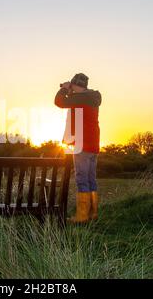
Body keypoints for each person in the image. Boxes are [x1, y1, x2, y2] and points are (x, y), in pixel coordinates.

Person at [54, 73, 102, 223]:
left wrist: (64, 89)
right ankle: (93, 214)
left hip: (82, 145)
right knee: (90, 179)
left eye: (73, 86)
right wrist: (70, 90)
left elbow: (59, 102)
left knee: (82, 179)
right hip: (93, 144)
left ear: (76, 85)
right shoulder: (92, 97)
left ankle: (82, 217)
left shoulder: (80, 98)